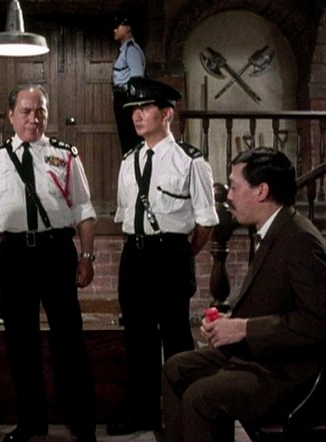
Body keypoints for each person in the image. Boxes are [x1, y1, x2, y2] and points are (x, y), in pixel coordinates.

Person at [162, 148, 326, 442]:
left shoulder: (300, 240)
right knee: (175, 369)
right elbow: (274, 301)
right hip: (260, 357)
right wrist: (229, 322)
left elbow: (322, 323)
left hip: (288, 372)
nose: (228, 196)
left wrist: (244, 329)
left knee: (201, 396)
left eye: (235, 187)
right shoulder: (271, 229)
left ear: (261, 191)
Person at [0, 84, 97, 442]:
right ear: (11, 115)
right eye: (26, 111)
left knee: (69, 339)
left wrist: (87, 256)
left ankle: (82, 422)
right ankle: (31, 421)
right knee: (20, 342)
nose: (33, 118)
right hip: (15, 255)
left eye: (40, 111)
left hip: (57, 252)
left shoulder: (65, 155)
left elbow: (83, 209)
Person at [109, 77, 218, 436]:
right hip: (135, 256)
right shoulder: (129, 161)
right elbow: (125, 216)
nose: (137, 116)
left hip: (170, 254)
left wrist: (183, 253)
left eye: (145, 108)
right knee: (137, 338)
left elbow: (205, 222)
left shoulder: (190, 161)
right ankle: (142, 412)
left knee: (176, 339)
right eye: (134, 110)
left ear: (167, 113)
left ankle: (179, 413)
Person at [112, 15, 145, 155]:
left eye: (118, 27)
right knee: (126, 141)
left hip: (128, 101)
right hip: (122, 100)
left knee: (131, 142)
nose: (114, 30)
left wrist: (133, 105)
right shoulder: (125, 50)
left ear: (127, 28)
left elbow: (137, 79)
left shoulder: (131, 50)